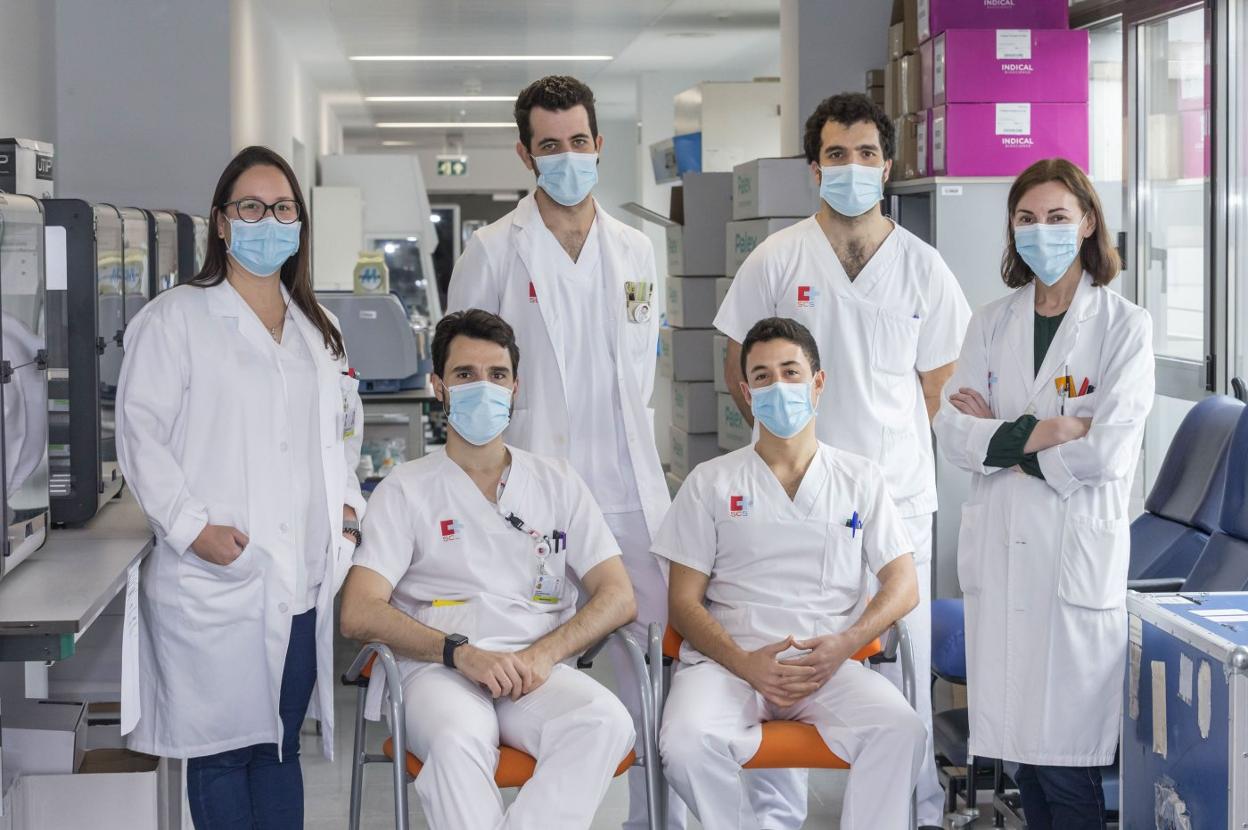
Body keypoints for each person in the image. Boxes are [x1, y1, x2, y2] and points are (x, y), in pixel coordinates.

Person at [445, 74, 699, 828]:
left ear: (599, 145)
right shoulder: (494, 248)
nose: (566, 158)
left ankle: (654, 819)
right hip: (532, 495)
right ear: (526, 154)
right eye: (549, 146)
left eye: (578, 143)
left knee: (655, 666)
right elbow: (470, 372)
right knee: (522, 669)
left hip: (625, 489)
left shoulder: (634, 248)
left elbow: (637, 372)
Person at [713, 92, 970, 828]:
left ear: (887, 164)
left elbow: (938, 386)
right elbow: (739, 361)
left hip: (897, 496)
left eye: (865, 154)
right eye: (835, 155)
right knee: (789, 649)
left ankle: (913, 809)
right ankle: (775, 812)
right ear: (813, 168)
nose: (851, 167)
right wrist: (783, 449)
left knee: (907, 663)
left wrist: (875, 464)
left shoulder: (923, 268)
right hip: (795, 500)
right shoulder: (778, 257)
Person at [116, 145, 366, 828]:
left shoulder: (323, 330)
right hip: (217, 579)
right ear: (222, 224)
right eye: (250, 207)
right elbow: (140, 436)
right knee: (223, 755)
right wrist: (193, 529)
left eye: (283, 208)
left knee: (280, 748)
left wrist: (346, 516)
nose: (268, 220)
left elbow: (344, 436)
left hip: (303, 580)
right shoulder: (176, 320)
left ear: (299, 224)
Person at [340, 309, 638, 829]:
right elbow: (359, 611)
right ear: (439, 387)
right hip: (436, 672)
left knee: (605, 722)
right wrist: (460, 654)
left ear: (516, 387)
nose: (484, 387)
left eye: (497, 375)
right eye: (464, 375)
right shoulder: (406, 488)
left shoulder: (557, 481)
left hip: (531, 670)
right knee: (458, 743)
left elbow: (617, 594)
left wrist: (545, 655)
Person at [933, 158, 1154, 829]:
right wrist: (1049, 431)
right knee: (1027, 769)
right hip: (1004, 564)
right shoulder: (991, 324)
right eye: (1027, 219)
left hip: (1071, 569)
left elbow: (1107, 453)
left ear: (1088, 222)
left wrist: (1004, 441)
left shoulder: (1124, 327)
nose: (1042, 231)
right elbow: (952, 432)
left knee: (1067, 768)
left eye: (1058, 217)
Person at [656, 317, 925, 830]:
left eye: (790, 371)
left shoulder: (859, 478)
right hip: (729, 666)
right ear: (746, 392)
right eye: (761, 377)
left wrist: (845, 644)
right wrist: (743, 662)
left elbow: (903, 583)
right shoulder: (710, 482)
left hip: (827, 666)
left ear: (817, 383)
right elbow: (683, 603)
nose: (778, 387)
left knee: (901, 730)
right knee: (686, 742)